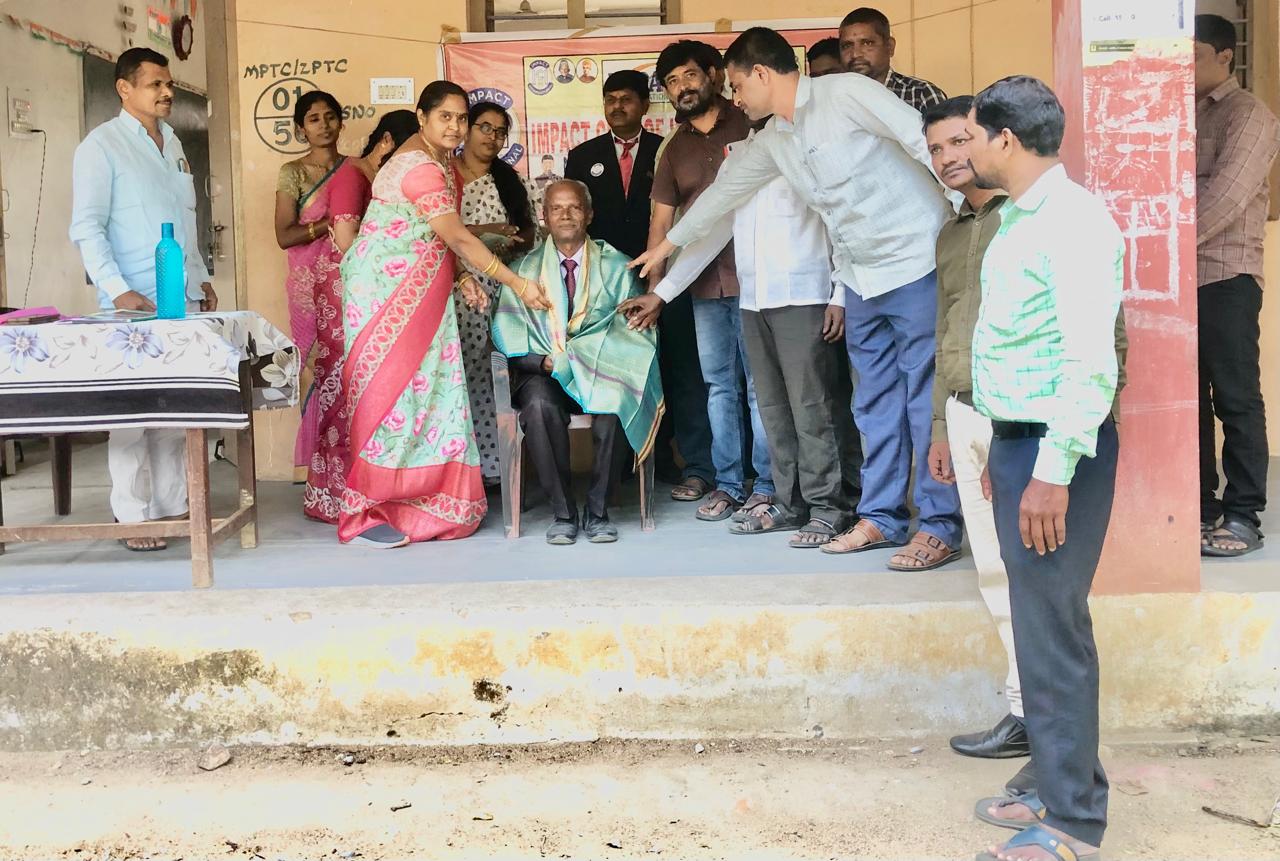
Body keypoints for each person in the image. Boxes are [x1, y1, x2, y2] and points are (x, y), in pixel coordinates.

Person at [633, 27, 962, 570]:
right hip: (861, 278)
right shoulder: (775, 141)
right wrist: (667, 245)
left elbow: (918, 138)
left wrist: (962, 212)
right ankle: (880, 518)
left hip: (916, 260)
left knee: (925, 404)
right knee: (871, 405)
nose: (735, 98)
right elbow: (722, 197)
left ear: (761, 74)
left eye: (738, 85)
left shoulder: (845, 94)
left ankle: (938, 525)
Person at [962, 76, 1124, 861]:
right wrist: (1007, 450)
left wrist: (1052, 470)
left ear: (1006, 140)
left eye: (972, 137)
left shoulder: (1073, 224)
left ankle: (1072, 822)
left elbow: (1091, 364)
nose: (965, 151)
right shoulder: (1019, 219)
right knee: (1039, 623)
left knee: (1053, 630)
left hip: (1061, 451)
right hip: (1023, 442)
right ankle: (1059, 779)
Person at [337, 81, 551, 548]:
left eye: (460, 117)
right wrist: (517, 283)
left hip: (423, 297)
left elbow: (427, 238)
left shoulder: (436, 161)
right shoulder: (419, 168)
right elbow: (456, 236)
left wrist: (459, 279)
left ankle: (423, 500)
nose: (455, 127)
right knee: (390, 399)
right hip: (387, 299)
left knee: (427, 396)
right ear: (422, 117)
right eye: (445, 118)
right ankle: (369, 509)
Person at [623, 118, 851, 548]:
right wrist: (664, 292)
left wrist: (840, 292)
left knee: (812, 408)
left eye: (743, 84)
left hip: (804, 296)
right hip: (753, 301)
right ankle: (787, 502)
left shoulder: (808, 144)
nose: (738, 97)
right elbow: (712, 231)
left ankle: (829, 509)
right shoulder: (739, 157)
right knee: (772, 409)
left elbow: (838, 222)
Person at [69, 47, 217, 552]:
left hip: (183, 296)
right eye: (154, 83)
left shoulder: (172, 141)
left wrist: (200, 279)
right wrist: (117, 289)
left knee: (176, 408)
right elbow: (87, 227)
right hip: (132, 300)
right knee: (133, 414)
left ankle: (173, 507)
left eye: (168, 83)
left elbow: (183, 217)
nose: (166, 92)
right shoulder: (101, 146)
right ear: (124, 88)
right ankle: (133, 516)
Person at [492, 180, 663, 545]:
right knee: (538, 406)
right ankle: (564, 512)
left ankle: (598, 512)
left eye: (574, 207)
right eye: (557, 208)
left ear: (589, 214)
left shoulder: (617, 266)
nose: (566, 215)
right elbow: (508, 332)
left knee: (617, 401)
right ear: (544, 217)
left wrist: (589, 359)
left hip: (601, 371)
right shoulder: (523, 271)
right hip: (546, 371)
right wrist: (545, 363)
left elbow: (632, 330)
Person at [648, 39, 773, 523]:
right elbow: (660, 227)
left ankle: (766, 485)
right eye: (673, 82)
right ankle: (728, 484)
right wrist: (655, 292)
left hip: (759, 279)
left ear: (715, 76)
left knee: (761, 388)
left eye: (688, 75)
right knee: (719, 386)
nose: (682, 87)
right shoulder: (673, 149)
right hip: (702, 286)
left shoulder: (752, 124)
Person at [299, 109, 419, 523]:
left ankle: (371, 488)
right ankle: (336, 494)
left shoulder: (384, 180)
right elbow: (347, 239)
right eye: (402, 154)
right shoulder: (353, 175)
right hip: (348, 291)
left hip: (375, 293)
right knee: (343, 390)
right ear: (385, 143)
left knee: (373, 391)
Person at [1194, 13, 1280, 558]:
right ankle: (1199, 506)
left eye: (1195, 56)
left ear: (1226, 57)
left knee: (1236, 399)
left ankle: (1244, 513)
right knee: (1188, 402)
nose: (1183, 68)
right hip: (1181, 282)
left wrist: (1159, 250)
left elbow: (1225, 199)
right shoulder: (1177, 114)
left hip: (1226, 277)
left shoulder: (1249, 115)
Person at [454, 101, 539, 487]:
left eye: (499, 131)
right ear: (467, 129)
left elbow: (528, 236)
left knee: (494, 376)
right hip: (455, 290)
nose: (491, 136)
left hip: (501, 291)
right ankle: (459, 471)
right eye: (484, 127)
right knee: (460, 376)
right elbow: (442, 233)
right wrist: (487, 231)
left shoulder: (508, 181)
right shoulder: (445, 176)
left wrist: (510, 239)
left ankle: (495, 468)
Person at [274, 90, 346, 479]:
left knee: (348, 367)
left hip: (347, 281)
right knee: (314, 368)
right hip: (307, 284)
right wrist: (327, 224)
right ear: (301, 128)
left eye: (330, 116)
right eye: (314, 118)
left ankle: (345, 465)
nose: (323, 124)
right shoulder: (293, 172)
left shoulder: (354, 169)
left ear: (341, 121)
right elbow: (284, 235)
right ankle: (318, 472)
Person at [839, 7, 945, 111]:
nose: (855, 54)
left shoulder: (921, 94)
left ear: (889, 46)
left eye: (867, 43)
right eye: (847, 46)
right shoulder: (836, 98)